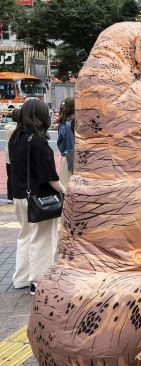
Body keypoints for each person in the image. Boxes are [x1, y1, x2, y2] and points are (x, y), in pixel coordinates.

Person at [9, 99, 66, 295]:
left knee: (25, 235)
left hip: (19, 196)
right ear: (40, 116)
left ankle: (21, 278)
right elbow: (49, 176)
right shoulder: (39, 140)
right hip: (39, 198)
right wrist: (64, 190)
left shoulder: (15, 137)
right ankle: (38, 282)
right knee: (42, 239)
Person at [56, 97, 75, 188]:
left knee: (65, 187)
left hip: (65, 158)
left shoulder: (63, 123)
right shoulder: (74, 123)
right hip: (73, 158)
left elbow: (61, 145)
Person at [5, 108, 18, 204]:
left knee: (10, 176)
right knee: (18, 176)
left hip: (8, 155)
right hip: (17, 156)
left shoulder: (7, 127)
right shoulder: (19, 128)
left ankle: (10, 197)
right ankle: (17, 195)